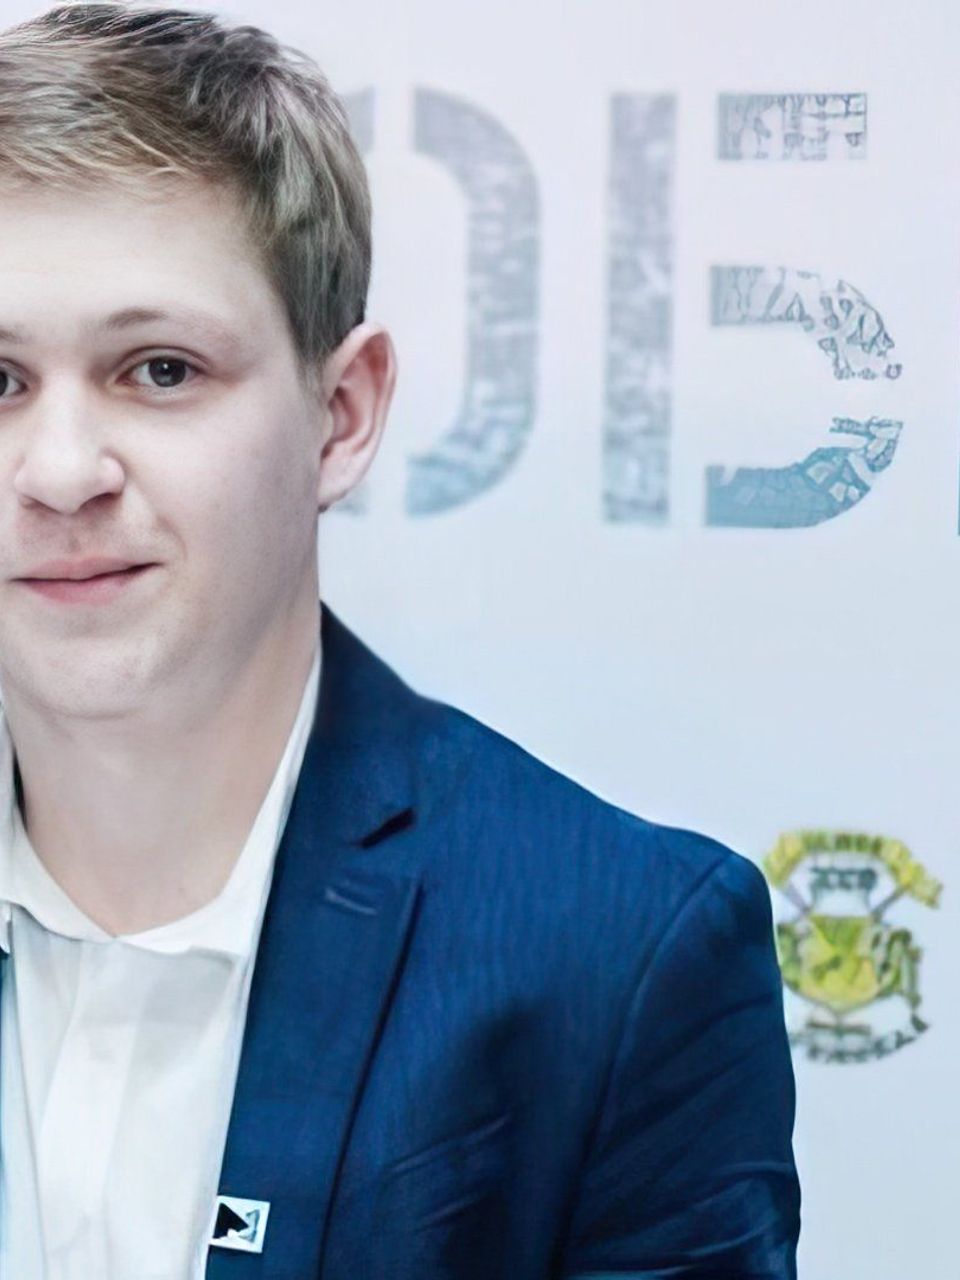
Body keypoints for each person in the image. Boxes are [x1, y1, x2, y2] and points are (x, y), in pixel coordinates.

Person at [0, 3, 801, 1277]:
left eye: (160, 369)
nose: (58, 472)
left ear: (343, 413)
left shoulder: (621, 957)